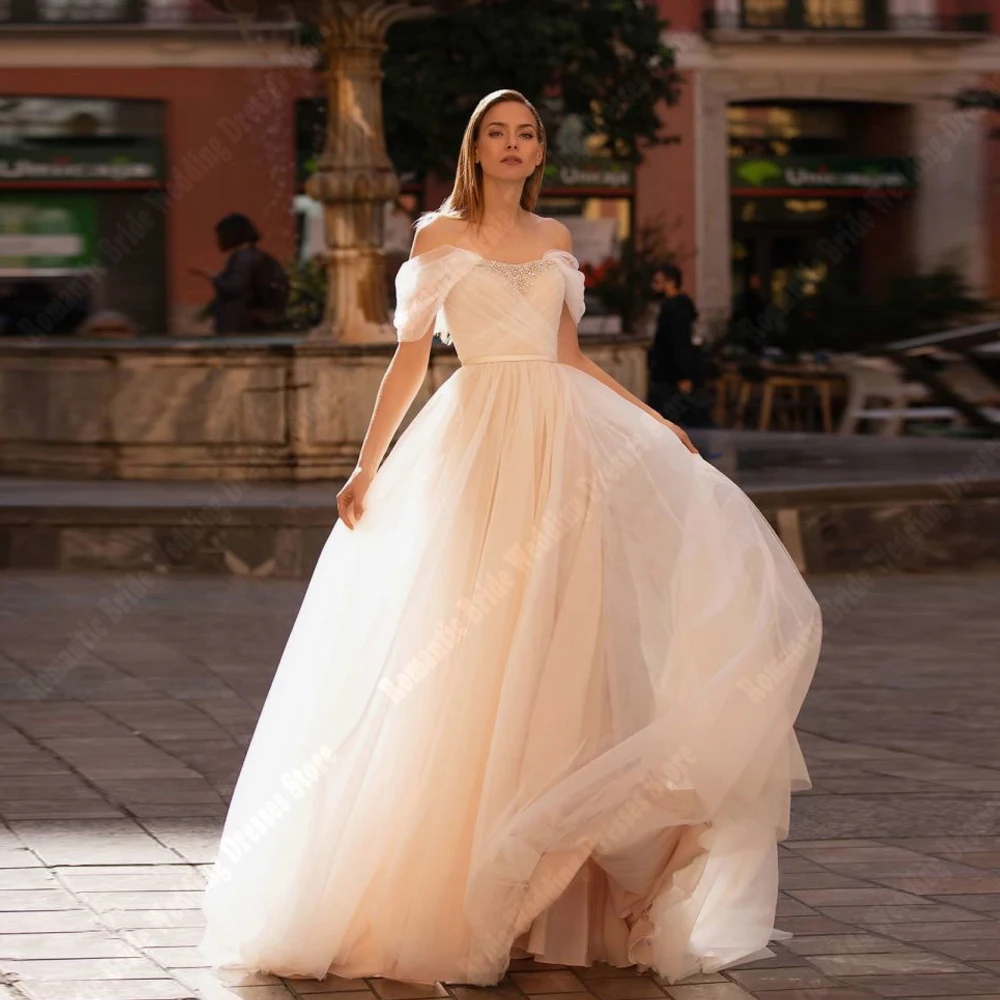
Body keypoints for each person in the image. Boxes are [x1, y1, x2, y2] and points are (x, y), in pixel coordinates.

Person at [199, 89, 821, 990]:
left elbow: (567, 356)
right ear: (475, 147)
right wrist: (366, 466)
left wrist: (652, 419)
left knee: (566, 648)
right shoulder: (437, 237)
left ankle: (556, 899)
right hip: (479, 443)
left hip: (565, 449)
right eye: (498, 132)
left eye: (527, 134)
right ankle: (451, 885)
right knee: (470, 646)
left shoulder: (559, 240)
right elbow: (411, 355)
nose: (514, 145)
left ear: (539, 153)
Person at [189, 212, 289, 334]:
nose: (218, 240)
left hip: (244, 327)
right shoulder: (250, 256)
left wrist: (210, 275)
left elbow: (234, 287)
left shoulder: (246, 258)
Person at [647, 264, 711, 428]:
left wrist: (684, 375)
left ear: (670, 282)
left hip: (671, 376)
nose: (654, 286)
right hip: (669, 372)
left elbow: (679, 342)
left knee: (670, 421)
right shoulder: (675, 305)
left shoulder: (676, 308)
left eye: (657, 281)